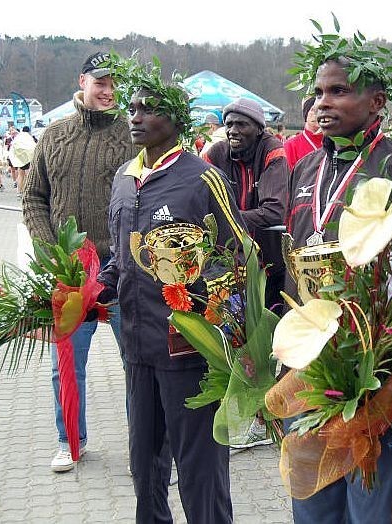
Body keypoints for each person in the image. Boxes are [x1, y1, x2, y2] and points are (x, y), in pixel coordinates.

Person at [285, 55, 392, 524]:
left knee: (369, 513)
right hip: (312, 374)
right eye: (319, 91)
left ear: (377, 102)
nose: (322, 102)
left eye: (339, 91)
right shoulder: (306, 168)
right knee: (311, 508)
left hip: (379, 379)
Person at [98, 71, 242, 523]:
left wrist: (210, 313)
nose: (135, 117)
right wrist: (88, 292)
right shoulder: (124, 177)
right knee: (145, 468)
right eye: (132, 108)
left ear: (177, 120)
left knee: (200, 473)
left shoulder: (204, 179)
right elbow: (119, 258)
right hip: (137, 348)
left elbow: (237, 259)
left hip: (188, 353)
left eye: (149, 109)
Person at [22, 51, 135, 473]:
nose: (108, 92)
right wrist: (51, 252)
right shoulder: (54, 135)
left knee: (137, 365)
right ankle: (71, 440)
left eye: (114, 85)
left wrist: (126, 256)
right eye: (100, 82)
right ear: (83, 81)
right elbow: (33, 197)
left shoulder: (131, 136)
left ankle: (144, 446)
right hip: (69, 273)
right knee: (66, 366)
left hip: (119, 271)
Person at [203, 97, 289, 312]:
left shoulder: (272, 151)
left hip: (267, 263)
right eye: (229, 124)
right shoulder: (215, 154)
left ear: (259, 129)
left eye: (242, 124)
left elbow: (274, 211)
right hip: (226, 263)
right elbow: (200, 203)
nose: (233, 130)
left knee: (267, 333)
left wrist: (225, 218)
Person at [283, 96, 322, 171]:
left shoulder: (332, 143)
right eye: (313, 110)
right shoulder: (291, 145)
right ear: (306, 114)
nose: (317, 114)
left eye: (321, 110)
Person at [10, 126, 37, 197]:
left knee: (20, 175)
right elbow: (33, 147)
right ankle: (29, 190)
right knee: (29, 175)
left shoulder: (19, 137)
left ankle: (19, 191)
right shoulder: (29, 137)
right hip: (28, 158)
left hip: (20, 158)